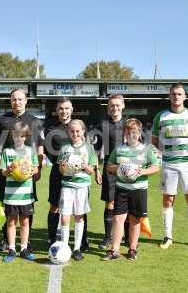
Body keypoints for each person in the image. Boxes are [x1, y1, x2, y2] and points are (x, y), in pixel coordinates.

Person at [152, 82, 188, 250]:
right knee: (168, 199)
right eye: (173, 94)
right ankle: (168, 237)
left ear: (185, 96)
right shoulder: (160, 117)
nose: (176, 96)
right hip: (169, 164)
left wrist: (185, 150)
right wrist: (167, 152)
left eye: (179, 94)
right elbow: (154, 141)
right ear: (169, 96)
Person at [0, 89, 45, 252]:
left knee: (27, 205)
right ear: (10, 101)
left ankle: (25, 243)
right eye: (14, 99)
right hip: (7, 170)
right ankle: (6, 240)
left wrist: (39, 167)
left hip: (28, 172)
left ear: (26, 101)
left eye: (20, 99)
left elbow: (40, 144)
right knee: (7, 205)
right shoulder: (1, 120)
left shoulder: (35, 120)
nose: (17, 102)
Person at [103, 118, 159, 260]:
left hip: (139, 189)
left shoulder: (146, 150)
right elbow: (109, 167)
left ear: (139, 133)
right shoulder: (119, 149)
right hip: (121, 188)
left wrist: (141, 172)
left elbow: (156, 167)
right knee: (118, 219)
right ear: (124, 134)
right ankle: (114, 249)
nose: (131, 135)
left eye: (134, 132)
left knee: (135, 220)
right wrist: (119, 168)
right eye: (128, 132)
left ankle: (132, 248)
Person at [44, 98, 93, 250]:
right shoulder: (51, 128)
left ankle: (82, 242)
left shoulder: (79, 127)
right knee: (54, 206)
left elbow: (88, 150)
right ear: (57, 110)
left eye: (66, 108)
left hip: (79, 177)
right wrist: (63, 165)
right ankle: (52, 238)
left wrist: (91, 169)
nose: (63, 111)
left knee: (80, 209)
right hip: (59, 172)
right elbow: (47, 149)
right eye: (61, 109)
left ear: (71, 109)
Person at [58, 119, 97, 261]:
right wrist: (65, 166)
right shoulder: (65, 148)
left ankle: (76, 248)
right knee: (64, 216)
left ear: (83, 131)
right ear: (68, 132)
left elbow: (91, 170)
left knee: (79, 216)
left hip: (82, 186)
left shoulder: (89, 148)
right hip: (67, 186)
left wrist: (82, 165)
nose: (75, 133)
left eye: (77, 131)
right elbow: (60, 169)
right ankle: (64, 246)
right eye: (72, 131)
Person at [0, 122, 38, 262]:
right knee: (11, 222)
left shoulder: (30, 151)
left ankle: (23, 248)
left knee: (25, 221)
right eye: (16, 135)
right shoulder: (7, 152)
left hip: (26, 195)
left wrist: (31, 170)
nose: (18, 138)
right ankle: (11, 249)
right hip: (11, 195)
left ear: (26, 136)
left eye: (22, 136)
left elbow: (36, 169)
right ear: (12, 135)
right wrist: (9, 170)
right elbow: (3, 172)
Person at [97, 94, 126, 249]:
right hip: (109, 168)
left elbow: (140, 147)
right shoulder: (103, 125)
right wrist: (96, 170)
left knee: (127, 201)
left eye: (117, 105)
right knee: (110, 202)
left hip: (128, 169)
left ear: (123, 106)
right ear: (108, 107)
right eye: (112, 105)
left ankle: (126, 237)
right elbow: (96, 150)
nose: (115, 108)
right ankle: (108, 237)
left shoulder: (129, 124)